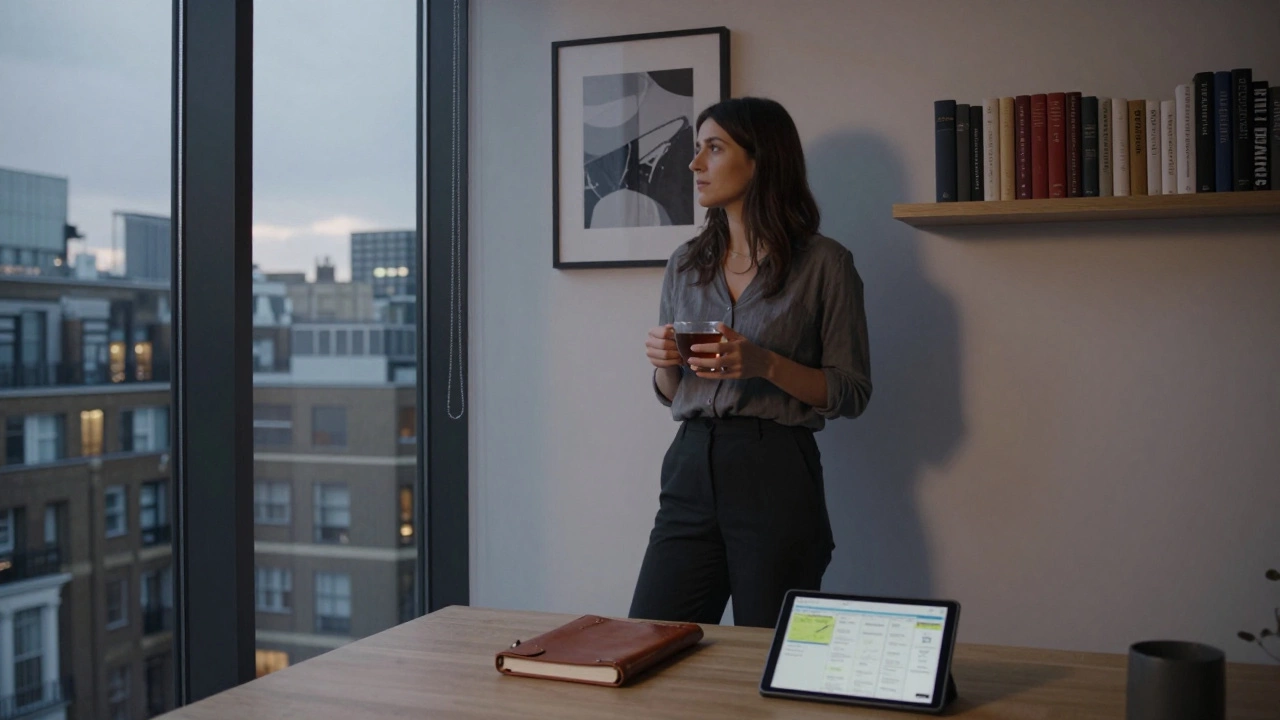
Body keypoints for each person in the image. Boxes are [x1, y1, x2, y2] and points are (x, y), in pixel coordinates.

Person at [629, 96, 872, 629]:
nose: (695, 164)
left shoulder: (825, 264)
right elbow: (675, 393)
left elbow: (851, 392)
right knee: (649, 640)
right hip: (690, 466)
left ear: (762, 159)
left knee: (772, 653)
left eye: (713, 149)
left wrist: (765, 363)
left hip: (776, 471)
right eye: (696, 149)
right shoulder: (686, 264)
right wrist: (664, 363)